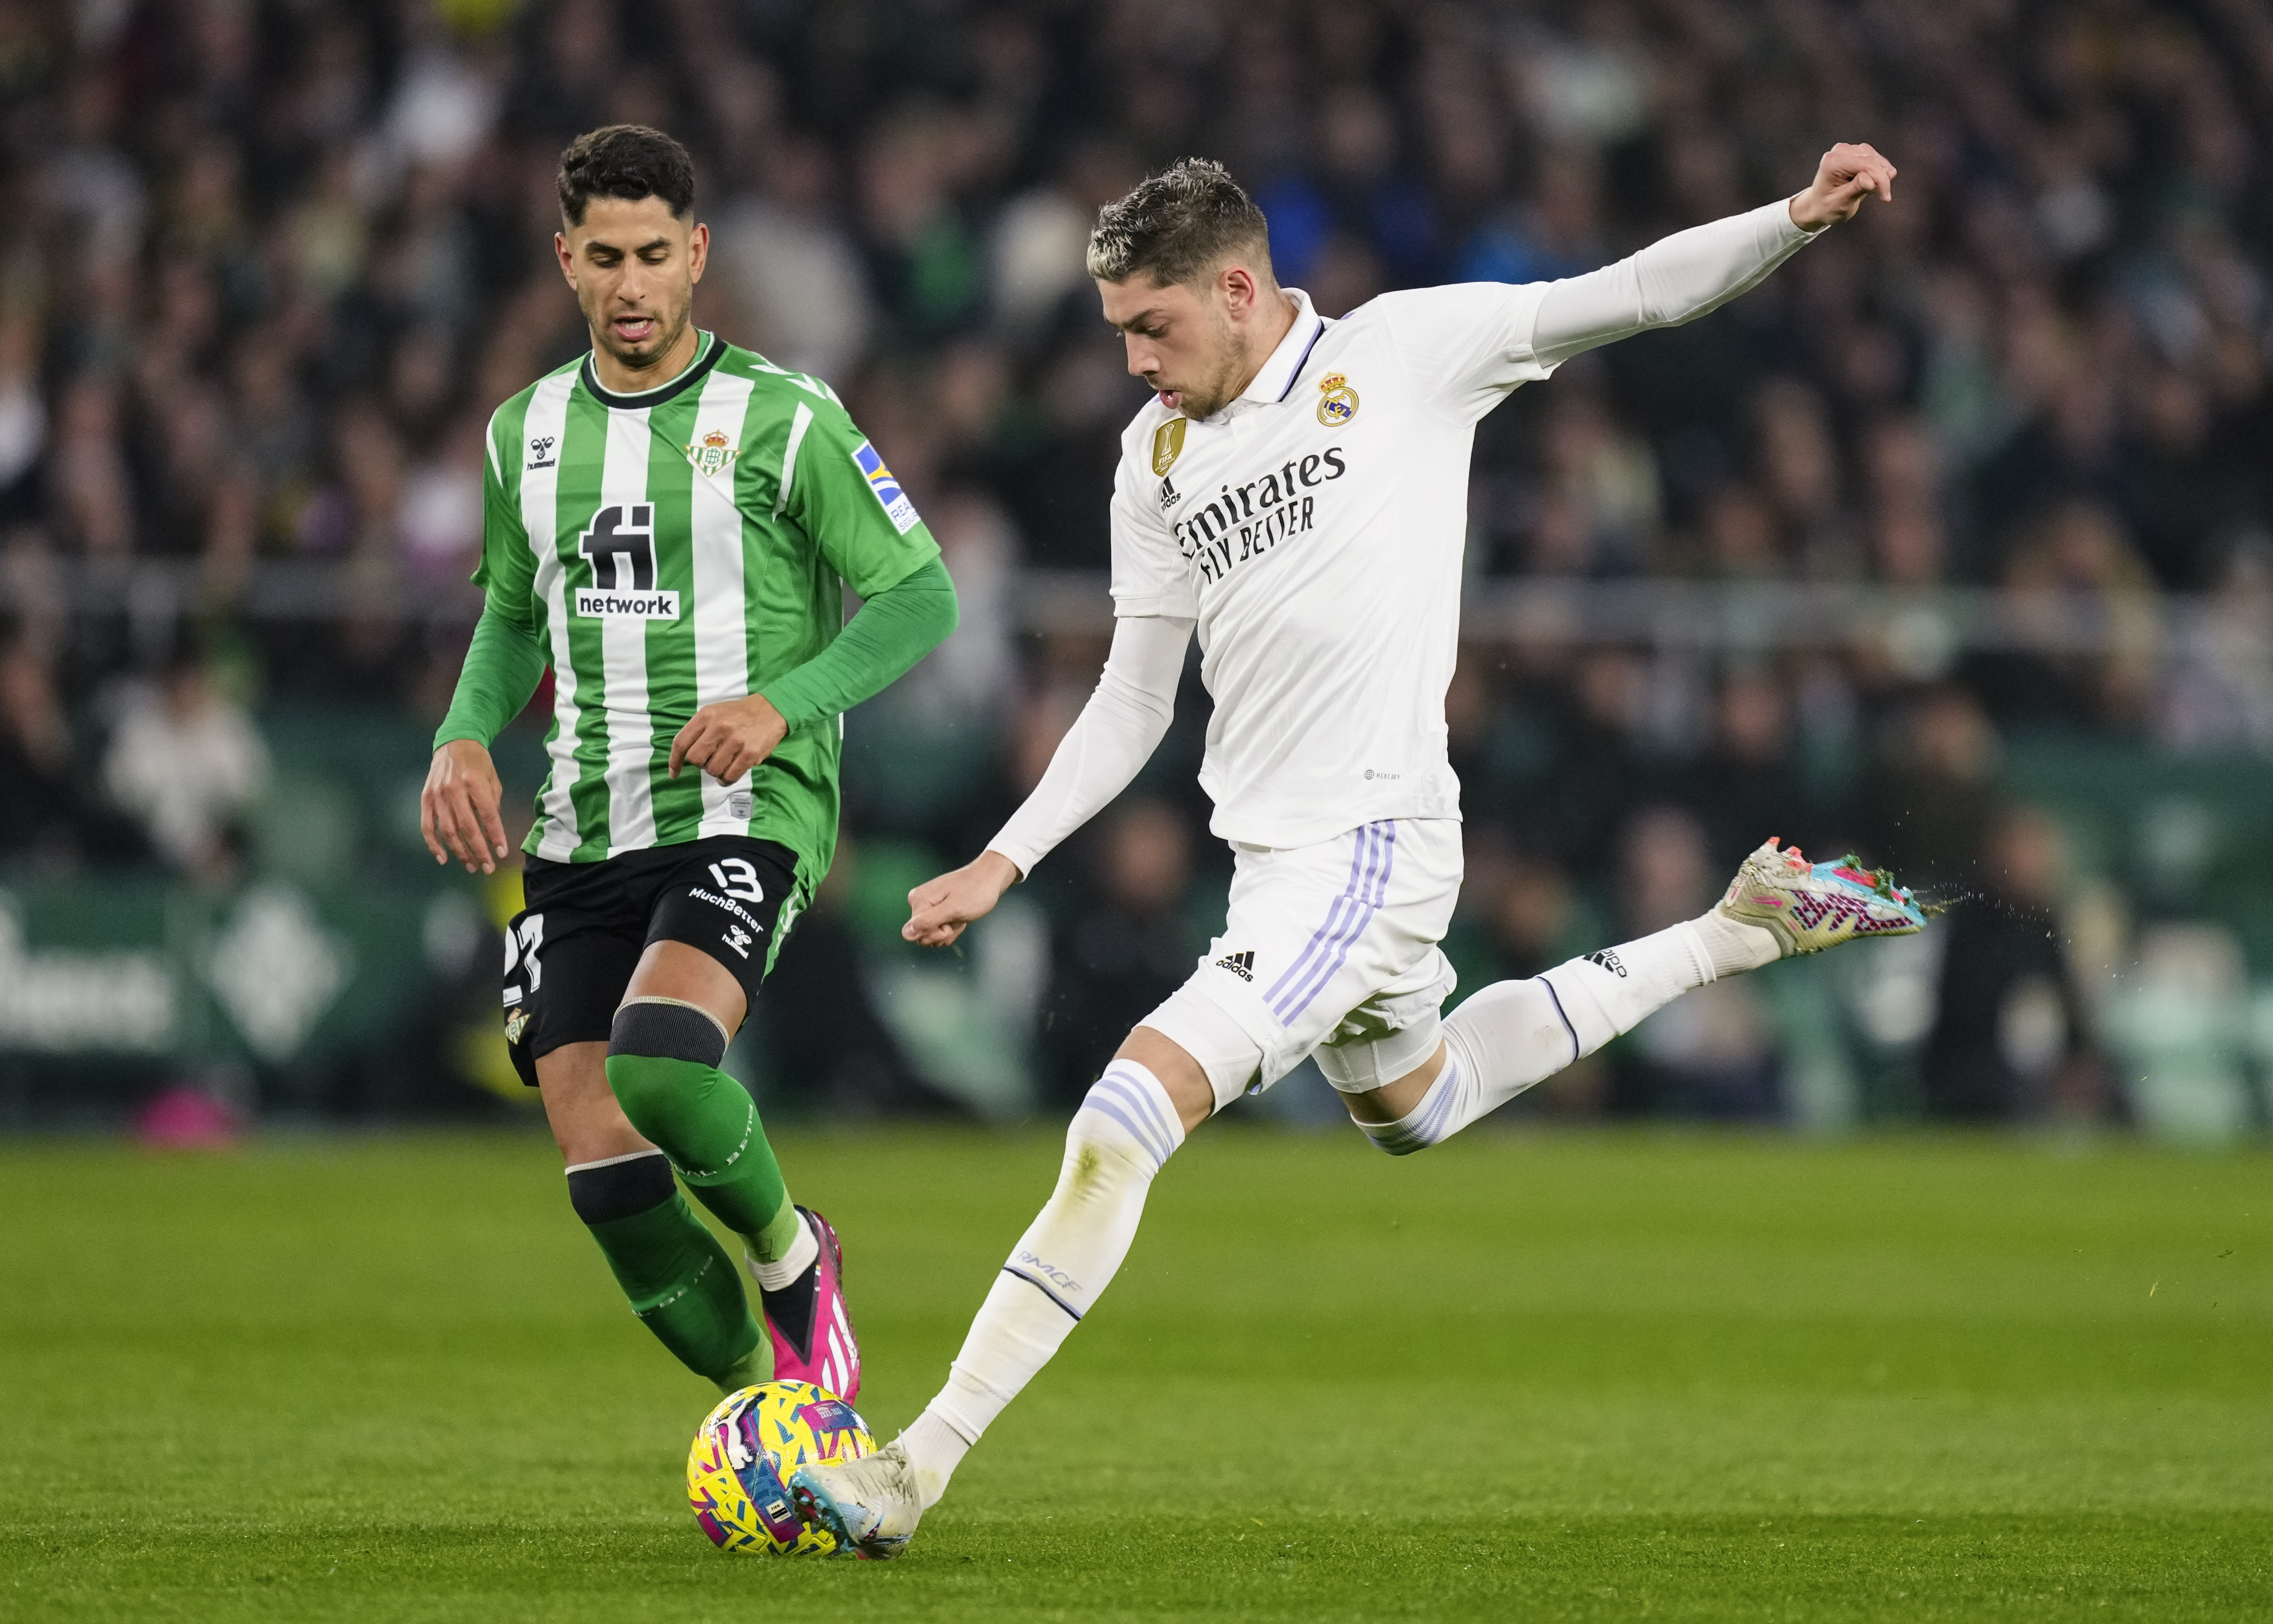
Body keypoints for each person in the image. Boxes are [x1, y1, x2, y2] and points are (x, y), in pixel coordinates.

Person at [793, 146, 1923, 1556]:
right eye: (1121, 334)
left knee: (1117, 1123)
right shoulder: (1153, 463)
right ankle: (1739, 931)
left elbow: (1626, 294)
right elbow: (1139, 692)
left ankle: (914, 1466)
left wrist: (1795, 222)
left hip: (1372, 844)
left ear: (1240, 287)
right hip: (1277, 868)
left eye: (1156, 326)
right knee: (1420, 1104)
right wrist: (1006, 858)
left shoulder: (1402, 355)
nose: (1135, 360)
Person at [417, 126, 958, 1402]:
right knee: (602, 1169)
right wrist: (459, 735)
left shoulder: (787, 417)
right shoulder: (524, 432)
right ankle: (774, 1417)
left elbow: (918, 596)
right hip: (577, 824)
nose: (630, 284)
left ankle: (791, 1253)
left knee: (662, 1064)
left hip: (741, 805)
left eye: (655, 255)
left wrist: (783, 705)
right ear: (566, 261)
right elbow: (508, 613)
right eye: (603, 257)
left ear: (697, 255)